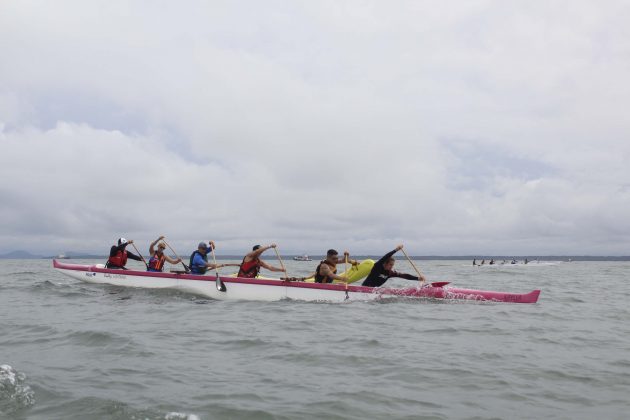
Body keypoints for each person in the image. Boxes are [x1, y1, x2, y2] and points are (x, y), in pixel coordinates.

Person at [362, 245, 426, 287]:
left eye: (393, 265)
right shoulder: (377, 266)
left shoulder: (390, 273)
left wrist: (418, 278)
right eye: (390, 264)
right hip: (364, 289)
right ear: (384, 263)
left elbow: (404, 275)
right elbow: (385, 257)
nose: (392, 267)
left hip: (374, 291)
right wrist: (396, 250)